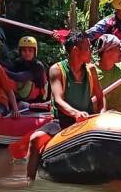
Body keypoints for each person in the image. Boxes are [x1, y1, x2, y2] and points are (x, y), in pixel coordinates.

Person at [26, 31, 104, 181]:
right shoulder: (57, 69)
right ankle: (29, 182)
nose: (90, 51)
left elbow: (101, 97)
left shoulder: (91, 70)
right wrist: (75, 113)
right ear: (75, 50)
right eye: (87, 48)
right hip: (61, 122)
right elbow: (59, 100)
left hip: (87, 121)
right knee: (34, 140)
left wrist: (102, 113)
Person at [4, 36, 48, 109]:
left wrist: (3, 70)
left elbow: (20, 77)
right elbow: (9, 68)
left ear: (35, 52)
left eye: (30, 50)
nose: (27, 53)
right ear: (20, 52)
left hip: (36, 101)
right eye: (24, 50)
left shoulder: (38, 66)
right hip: (21, 99)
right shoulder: (18, 62)